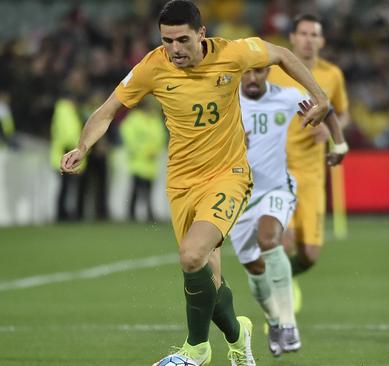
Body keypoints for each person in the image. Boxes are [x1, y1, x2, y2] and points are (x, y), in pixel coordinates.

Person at [59, 1, 330, 365]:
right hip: (181, 184)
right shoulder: (153, 66)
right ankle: (238, 338)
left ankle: (195, 350)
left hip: (228, 176)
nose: (174, 49)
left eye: (182, 40)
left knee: (190, 255)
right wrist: (82, 146)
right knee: (208, 277)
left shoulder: (232, 53)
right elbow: (107, 110)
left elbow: (281, 55)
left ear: (201, 34)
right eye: (166, 40)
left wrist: (321, 97)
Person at [231, 66, 344, 357]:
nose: (252, 79)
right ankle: (274, 319)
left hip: (277, 186)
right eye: (246, 73)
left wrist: (339, 144)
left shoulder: (287, 96)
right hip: (239, 195)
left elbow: (325, 108)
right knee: (255, 270)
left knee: (270, 240)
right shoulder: (227, 101)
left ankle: (288, 323)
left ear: (268, 71)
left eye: (258, 72)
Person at [267, 13, 349, 300]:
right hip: (278, 170)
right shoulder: (274, 69)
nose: (308, 39)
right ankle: (278, 299)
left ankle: (283, 279)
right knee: (284, 241)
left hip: (312, 174)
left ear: (322, 40)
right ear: (292, 38)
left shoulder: (332, 75)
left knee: (310, 255)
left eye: (314, 34)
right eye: (302, 33)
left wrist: (331, 132)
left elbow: (342, 113)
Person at [119, 96, 166, 222]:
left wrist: (155, 150)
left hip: (151, 161)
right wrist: (140, 150)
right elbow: (128, 135)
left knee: (149, 189)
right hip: (138, 161)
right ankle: (131, 213)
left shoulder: (154, 119)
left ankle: (149, 213)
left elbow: (160, 136)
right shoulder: (134, 119)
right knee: (136, 188)